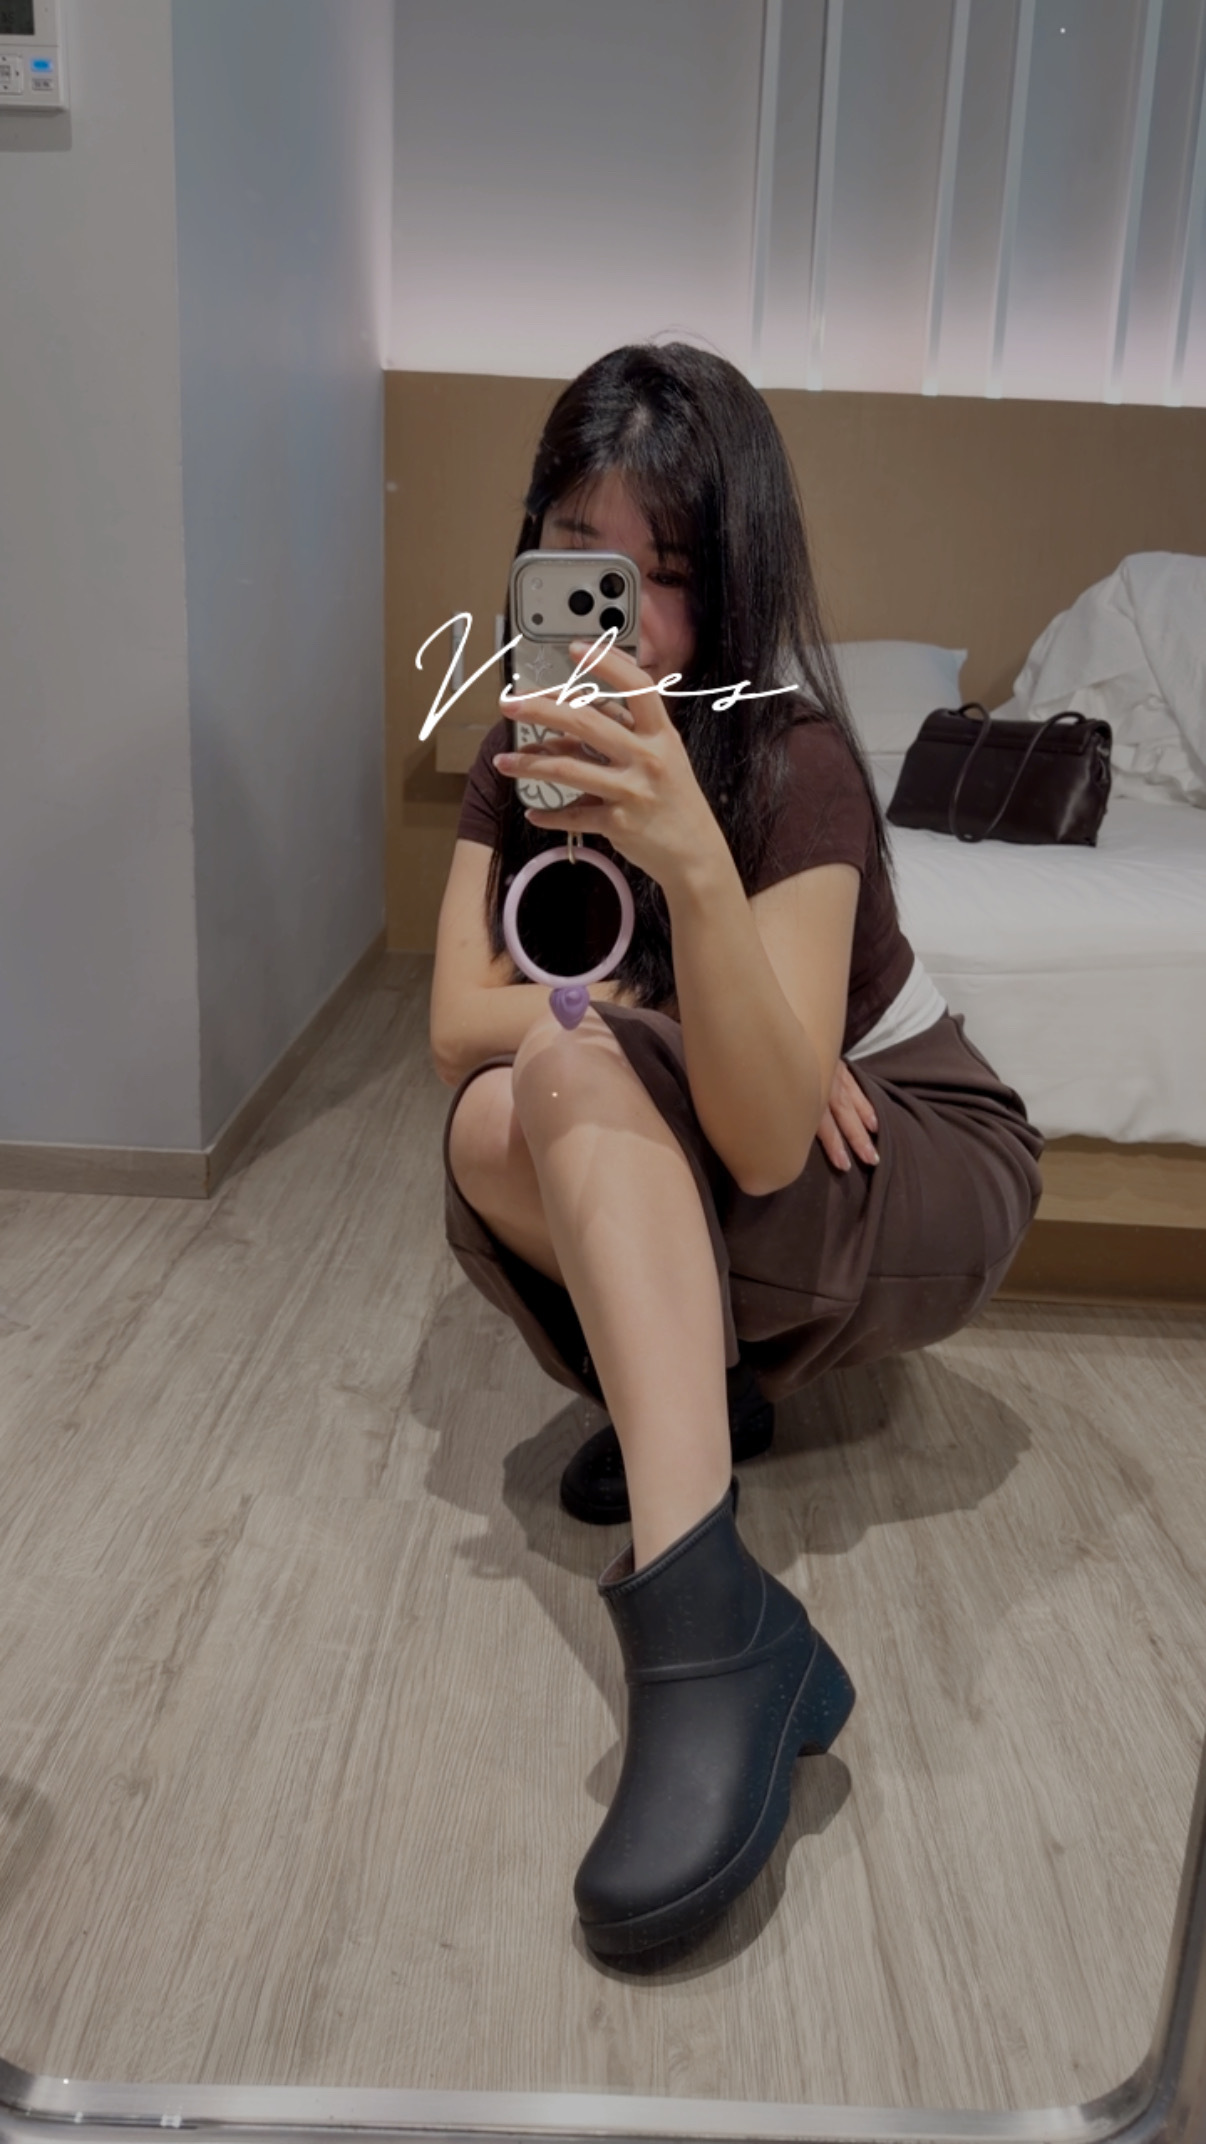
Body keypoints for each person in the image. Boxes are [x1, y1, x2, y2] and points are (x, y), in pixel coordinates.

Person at [429, 342, 1044, 1961]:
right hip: (746, 1102)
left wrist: (692, 871)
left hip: (904, 1133)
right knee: (496, 1118)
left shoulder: (791, 762)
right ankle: (712, 1406)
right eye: (584, 561)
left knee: (562, 1064)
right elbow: (454, 1023)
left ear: (741, 579)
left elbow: (771, 1140)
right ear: (532, 555)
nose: (625, 617)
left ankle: (707, 1635)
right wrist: (699, 1017)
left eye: (674, 575)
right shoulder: (517, 750)